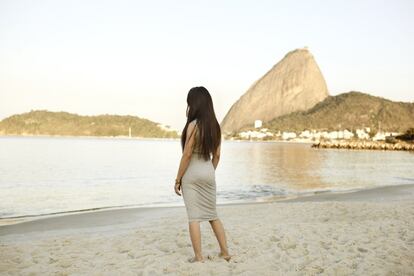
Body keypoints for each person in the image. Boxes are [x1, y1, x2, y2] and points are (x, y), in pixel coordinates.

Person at [174, 86, 231, 263]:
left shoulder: (192, 125)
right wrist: (209, 171)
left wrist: (178, 179)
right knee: (213, 215)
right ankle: (225, 252)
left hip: (192, 173)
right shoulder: (215, 127)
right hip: (208, 172)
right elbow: (218, 155)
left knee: (194, 217)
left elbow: (187, 154)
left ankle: (199, 257)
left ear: (194, 104)